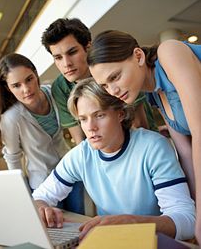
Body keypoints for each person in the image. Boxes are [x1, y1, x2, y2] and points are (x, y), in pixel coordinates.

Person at [32, 79, 195, 241]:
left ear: (120, 114)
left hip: (153, 241)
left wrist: (132, 222)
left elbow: (188, 222)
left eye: (99, 115)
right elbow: (40, 196)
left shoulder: (153, 147)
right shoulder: (81, 155)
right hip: (111, 241)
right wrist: (42, 207)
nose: (90, 127)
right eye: (83, 119)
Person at [86, 30, 201, 242]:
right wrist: (194, 216)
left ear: (138, 56)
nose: (113, 90)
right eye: (104, 85)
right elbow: (185, 152)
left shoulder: (169, 52)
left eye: (115, 77)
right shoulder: (152, 94)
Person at [0, 53, 84, 214]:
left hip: (71, 174)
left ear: (36, 74)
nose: (26, 89)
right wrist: (23, 196)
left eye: (29, 79)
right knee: (56, 231)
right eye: (16, 85)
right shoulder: (11, 118)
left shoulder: (54, 93)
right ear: (7, 88)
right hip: (43, 183)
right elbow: (13, 158)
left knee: (80, 224)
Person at [41, 18, 157, 145]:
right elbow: (80, 140)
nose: (66, 64)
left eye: (72, 52)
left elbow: (140, 124)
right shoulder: (60, 88)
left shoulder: (112, 67)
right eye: (58, 57)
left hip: (145, 143)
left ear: (88, 47)